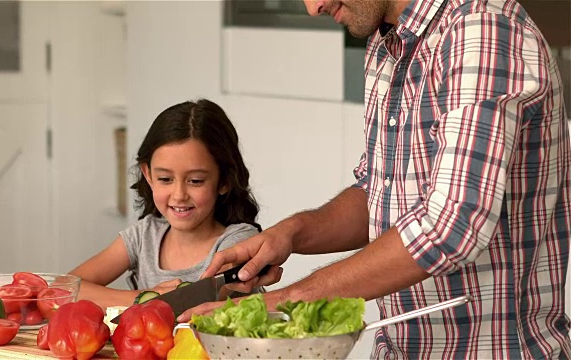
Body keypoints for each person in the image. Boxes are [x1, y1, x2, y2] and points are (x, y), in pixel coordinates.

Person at [180, 0, 571, 358]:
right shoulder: (386, 48)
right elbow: (379, 191)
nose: (313, 7)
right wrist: (292, 235)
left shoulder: (483, 31)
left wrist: (289, 299)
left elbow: (452, 227)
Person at [70, 99, 262, 310]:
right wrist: (144, 297)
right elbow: (65, 288)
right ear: (148, 175)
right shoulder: (144, 236)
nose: (179, 195)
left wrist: (148, 302)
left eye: (195, 181)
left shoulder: (239, 241)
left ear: (224, 181)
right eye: (165, 179)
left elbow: (193, 304)